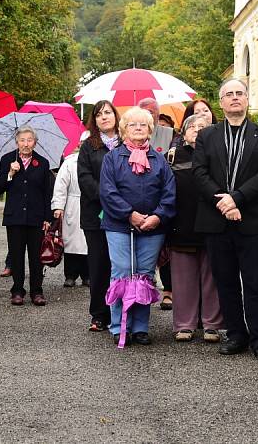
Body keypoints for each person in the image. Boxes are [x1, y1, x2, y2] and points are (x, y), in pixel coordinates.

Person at [192, 78, 258, 363]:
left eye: (239, 93)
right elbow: (199, 173)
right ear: (222, 102)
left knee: (256, 281)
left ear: (247, 99)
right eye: (229, 94)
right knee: (225, 281)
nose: (235, 98)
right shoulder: (207, 135)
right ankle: (236, 334)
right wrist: (224, 203)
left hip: (251, 219)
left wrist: (237, 198)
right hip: (217, 220)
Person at [100, 107, 176, 346]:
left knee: (144, 276)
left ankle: (141, 327)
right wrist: (129, 214)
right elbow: (108, 192)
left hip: (153, 227)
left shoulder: (160, 160)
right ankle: (119, 326)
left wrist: (157, 216)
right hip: (118, 225)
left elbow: (169, 193)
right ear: (124, 130)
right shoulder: (112, 158)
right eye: (133, 125)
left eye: (143, 125)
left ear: (150, 130)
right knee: (122, 272)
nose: (138, 129)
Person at [167, 114, 223, 343]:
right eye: (193, 127)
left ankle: (212, 325)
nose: (198, 130)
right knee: (182, 280)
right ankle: (184, 325)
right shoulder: (172, 156)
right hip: (182, 225)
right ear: (183, 131)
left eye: (204, 127)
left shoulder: (219, 155)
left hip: (212, 224)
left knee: (212, 278)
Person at [0, 126, 53, 306]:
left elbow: (47, 192)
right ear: (17, 142)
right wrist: (10, 173)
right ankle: (17, 290)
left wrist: (47, 217)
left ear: (35, 142)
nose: (26, 144)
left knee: (36, 257)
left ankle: (37, 291)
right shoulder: (7, 160)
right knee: (17, 255)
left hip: (36, 217)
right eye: (22, 140)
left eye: (29, 140)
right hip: (15, 217)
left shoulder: (42, 163)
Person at [78, 100, 120, 332]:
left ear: (115, 115)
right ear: (93, 120)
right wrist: (107, 198)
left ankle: (122, 309)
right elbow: (84, 178)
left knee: (121, 265)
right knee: (99, 264)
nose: (104, 117)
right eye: (99, 114)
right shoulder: (88, 146)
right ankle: (99, 314)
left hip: (124, 216)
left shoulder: (126, 143)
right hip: (96, 215)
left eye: (108, 112)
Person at [138, 97, 175, 309]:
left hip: (163, 202)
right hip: (139, 204)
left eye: (152, 111)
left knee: (166, 249)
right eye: (144, 111)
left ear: (158, 114)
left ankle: (168, 290)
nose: (148, 114)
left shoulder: (169, 135)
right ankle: (145, 287)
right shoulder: (133, 135)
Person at [52, 149, 89, 288]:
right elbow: (60, 185)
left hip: (92, 203)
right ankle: (70, 274)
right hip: (73, 204)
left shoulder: (99, 160)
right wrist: (58, 206)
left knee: (89, 241)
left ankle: (88, 275)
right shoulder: (70, 162)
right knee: (70, 241)